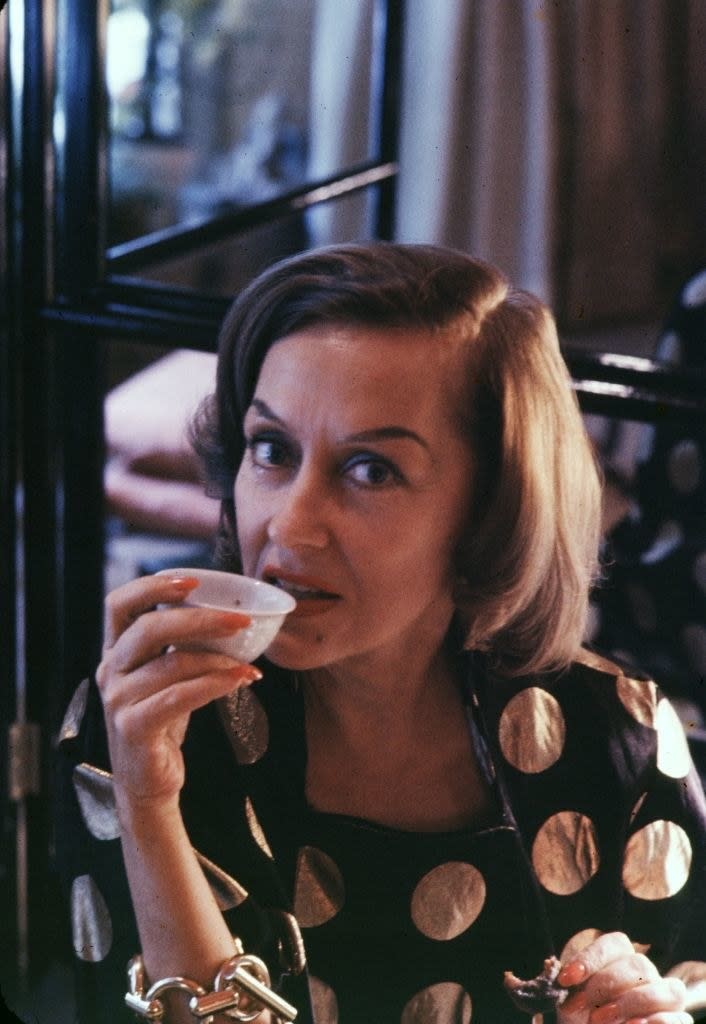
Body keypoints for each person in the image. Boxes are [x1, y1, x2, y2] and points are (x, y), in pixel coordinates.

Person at [57, 243, 706, 1024]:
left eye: (372, 470)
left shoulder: (619, 738)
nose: (290, 524)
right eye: (272, 450)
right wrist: (150, 805)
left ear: (488, 514)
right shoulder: (147, 728)